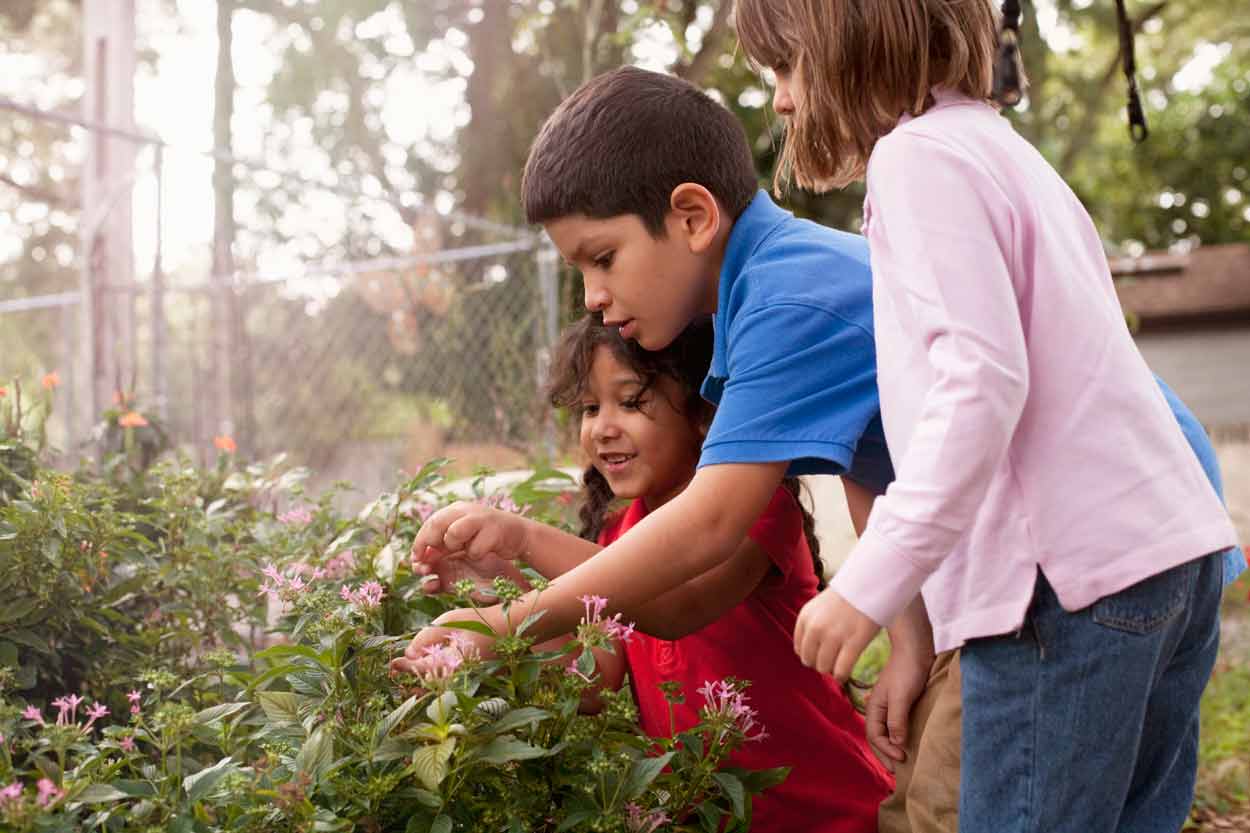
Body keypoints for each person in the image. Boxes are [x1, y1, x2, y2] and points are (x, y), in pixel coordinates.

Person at [731, 2, 1240, 832]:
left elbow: (982, 379)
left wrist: (871, 583)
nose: (781, 101)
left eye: (785, 69)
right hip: (1168, 558)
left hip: (1065, 589)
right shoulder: (1002, 148)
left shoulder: (916, 159)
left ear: (847, 43)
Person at [402, 64, 939, 801]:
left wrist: (499, 623)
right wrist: (911, 638)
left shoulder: (785, 297)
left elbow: (707, 528)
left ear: (692, 216)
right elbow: (878, 469)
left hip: (1063, 570)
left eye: (603, 257)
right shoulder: (765, 293)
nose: (592, 295)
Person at [397, 315, 892, 831]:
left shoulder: (757, 510)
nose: (603, 427)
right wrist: (502, 587)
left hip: (828, 810)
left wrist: (525, 540)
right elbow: (593, 682)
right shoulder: (619, 540)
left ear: (704, 414)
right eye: (590, 408)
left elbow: (674, 605)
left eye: (631, 402)